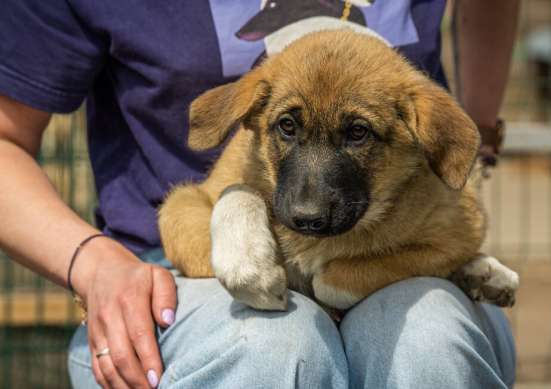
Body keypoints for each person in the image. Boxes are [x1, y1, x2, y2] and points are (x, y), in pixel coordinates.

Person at [0, 1, 520, 388]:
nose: (310, 205)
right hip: (171, 271)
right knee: (270, 349)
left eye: (358, 133)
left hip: (390, 252)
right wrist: (94, 265)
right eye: (286, 126)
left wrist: (472, 133)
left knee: (430, 343)